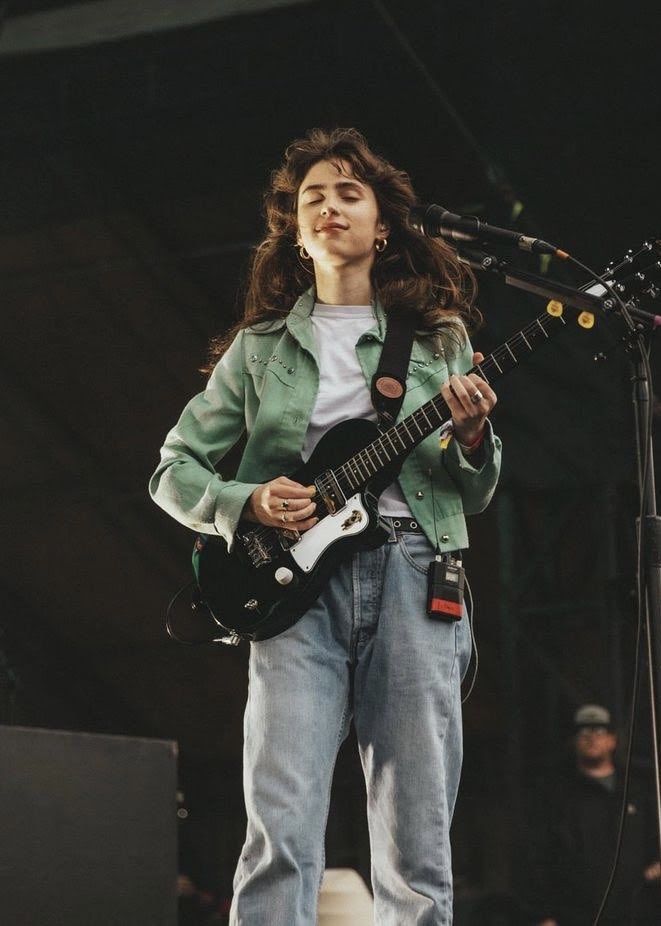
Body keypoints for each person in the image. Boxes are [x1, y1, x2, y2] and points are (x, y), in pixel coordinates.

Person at [149, 127, 501, 925]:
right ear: (297, 236)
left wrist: (475, 438)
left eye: (349, 192)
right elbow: (172, 471)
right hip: (291, 593)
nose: (330, 206)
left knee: (416, 831)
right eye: (313, 197)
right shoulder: (258, 350)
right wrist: (247, 501)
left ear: (382, 226)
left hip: (415, 570)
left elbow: (468, 491)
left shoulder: (440, 340)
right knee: (282, 818)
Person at [523, 703, 661, 926]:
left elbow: (656, 837)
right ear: (574, 742)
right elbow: (539, 856)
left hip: (637, 913)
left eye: (599, 732)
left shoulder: (636, 791)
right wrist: (543, 914)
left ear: (612, 740)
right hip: (578, 915)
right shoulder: (557, 797)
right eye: (584, 732)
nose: (592, 738)